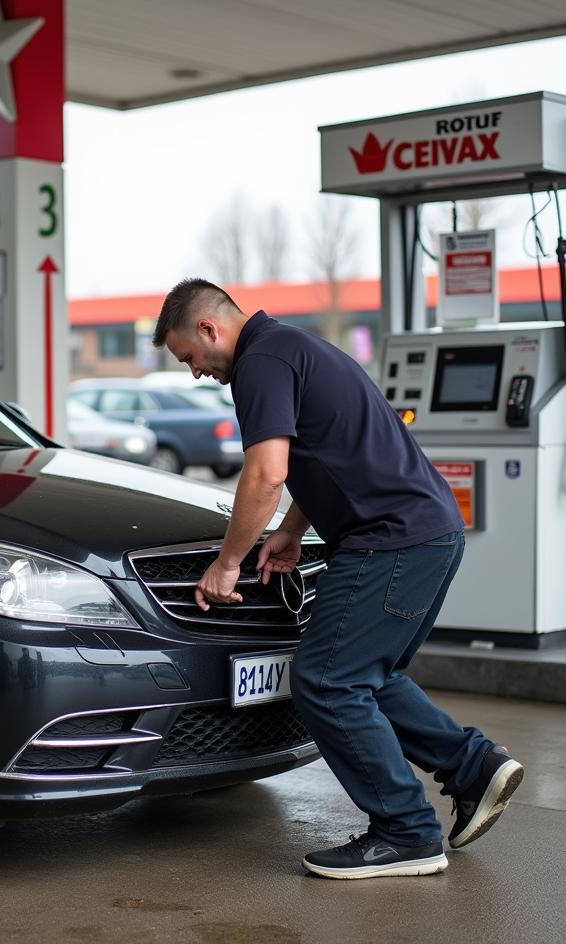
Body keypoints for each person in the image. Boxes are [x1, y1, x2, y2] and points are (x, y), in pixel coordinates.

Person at [152, 278, 524, 880]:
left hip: (391, 542)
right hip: (430, 535)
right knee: (367, 675)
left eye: (190, 358)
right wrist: (296, 528)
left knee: (325, 680)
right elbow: (326, 454)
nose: (195, 372)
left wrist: (226, 563)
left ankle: (406, 831)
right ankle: (474, 767)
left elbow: (266, 473)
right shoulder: (296, 347)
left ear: (208, 329)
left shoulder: (260, 364)